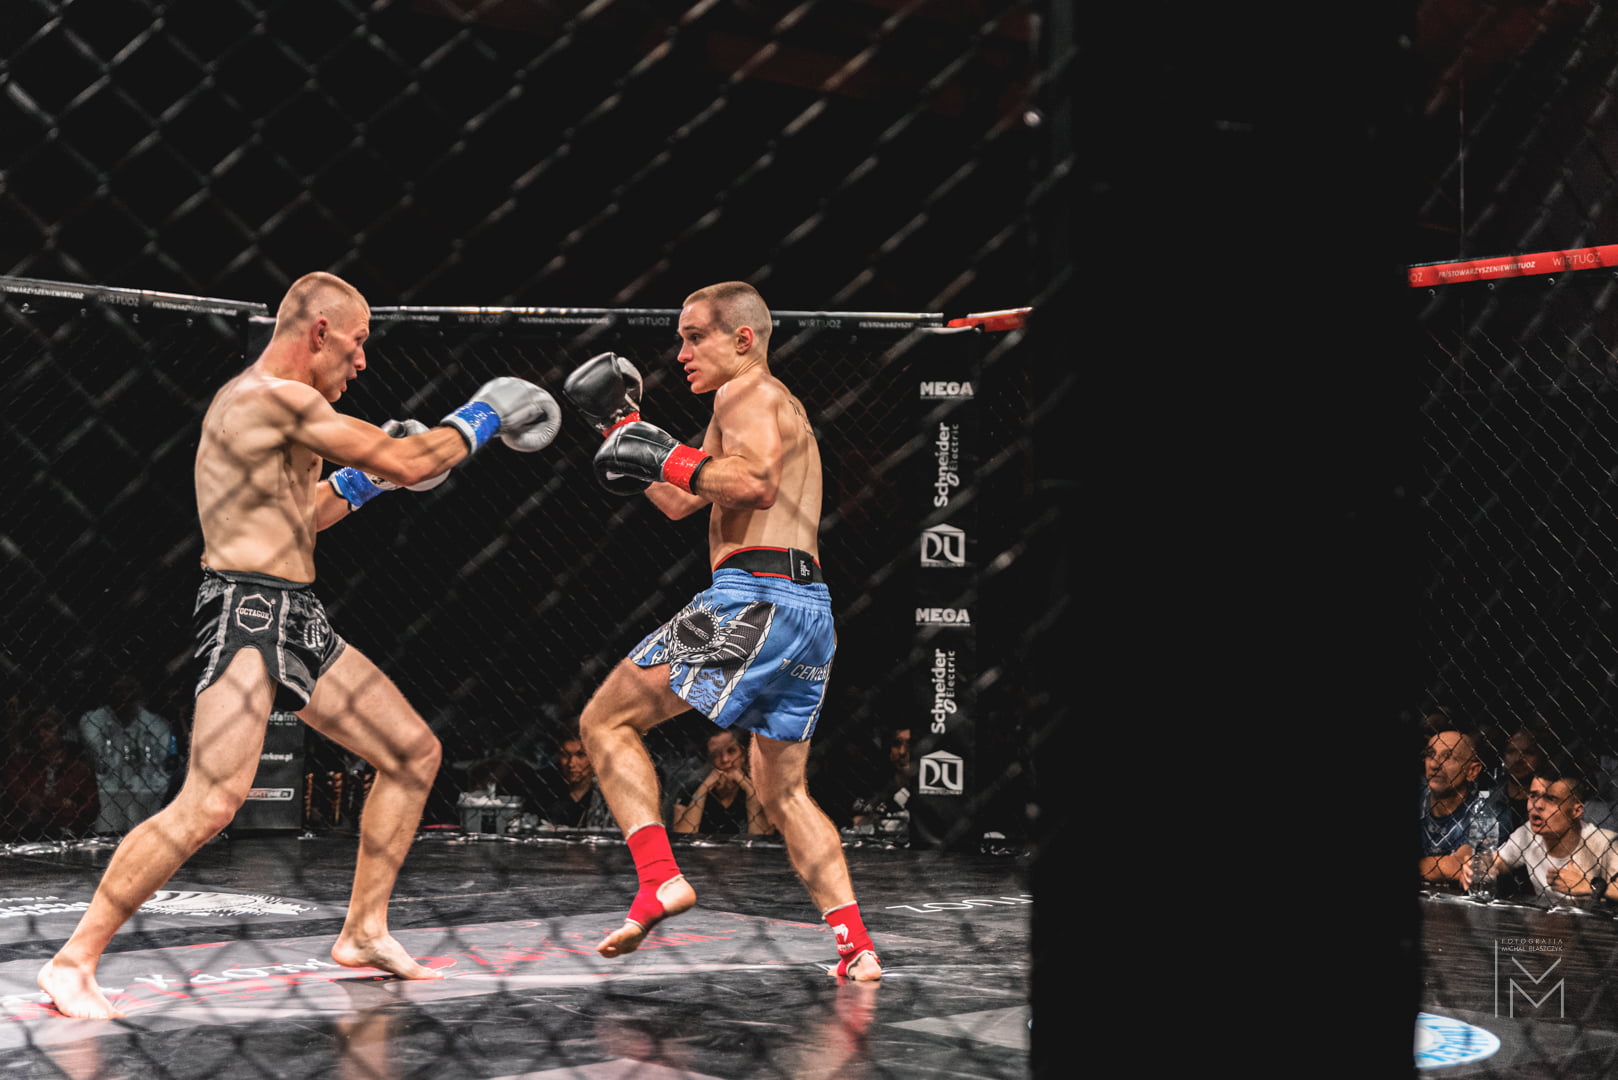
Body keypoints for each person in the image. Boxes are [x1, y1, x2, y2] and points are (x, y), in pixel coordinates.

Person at [38, 271, 562, 1018]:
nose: (363, 361)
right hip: (247, 612)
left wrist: (366, 483)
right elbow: (412, 460)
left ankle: (364, 931)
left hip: (297, 613)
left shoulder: (282, 411)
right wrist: (486, 412)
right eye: (357, 342)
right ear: (319, 332)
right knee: (212, 801)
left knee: (412, 753)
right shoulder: (272, 399)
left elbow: (304, 514)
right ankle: (73, 960)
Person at [565, 281, 881, 980]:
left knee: (605, 721)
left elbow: (754, 484)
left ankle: (658, 879)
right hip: (808, 611)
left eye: (693, 337)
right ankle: (856, 945)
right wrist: (621, 431)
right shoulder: (763, 405)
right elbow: (683, 499)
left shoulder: (747, 393)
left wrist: (660, 451)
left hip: (752, 597)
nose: (680, 354)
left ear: (742, 339)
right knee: (784, 791)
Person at [1460, 765, 1618, 900]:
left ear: (1576, 811)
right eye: (1533, 796)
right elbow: (1499, 862)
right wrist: (1479, 866)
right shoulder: (1528, 833)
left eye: (1551, 799)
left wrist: (1589, 886)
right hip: (1546, 922)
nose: (1538, 805)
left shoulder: (1605, 843)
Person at [75, 668, 175, 834]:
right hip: (105, 787)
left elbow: (162, 762)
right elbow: (99, 759)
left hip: (148, 788)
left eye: (129, 689)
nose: (124, 696)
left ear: (139, 692)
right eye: (118, 690)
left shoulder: (156, 723)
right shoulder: (92, 720)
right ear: (109, 692)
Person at [1419, 726, 1511, 887]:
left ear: (1472, 770)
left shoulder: (1488, 812)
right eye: (1430, 754)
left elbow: (1462, 864)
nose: (1434, 764)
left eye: (1448, 757)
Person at [672, 727, 773, 835]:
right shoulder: (691, 788)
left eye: (731, 751)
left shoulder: (762, 788)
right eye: (716, 754)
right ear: (709, 760)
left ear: (743, 754)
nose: (725, 759)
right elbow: (683, 836)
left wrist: (749, 790)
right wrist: (702, 790)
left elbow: (761, 837)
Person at [537, 731, 614, 829]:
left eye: (581, 755)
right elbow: (551, 821)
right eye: (565, 755)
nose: (571, 764)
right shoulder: (545, 781)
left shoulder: (609, 788)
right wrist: (578, 790)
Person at [851, 726, 912, 829]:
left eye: (909, 744)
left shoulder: (928, 796)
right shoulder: (872, 791)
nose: (902, 752)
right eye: (896, 744)